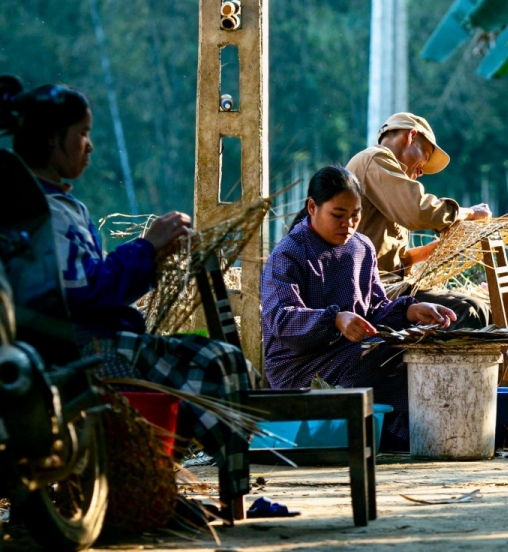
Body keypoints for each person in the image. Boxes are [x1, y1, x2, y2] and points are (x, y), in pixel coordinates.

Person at [0, 75, 253, 495]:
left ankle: (160, 484)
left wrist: (150, 253)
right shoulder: (45, 212)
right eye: (81, 134)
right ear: (50, 139)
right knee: (217, 360)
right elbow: (84, 294)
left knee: (215, 359)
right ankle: (228, 489)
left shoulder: (57, 206)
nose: (90, 146)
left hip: (82, 339)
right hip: (77, 349)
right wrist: (146, 248)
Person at [260, 165, 457, 450]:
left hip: (353, 350)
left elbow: (375, 308)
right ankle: (396, 437)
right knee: (385, 359)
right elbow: (281, 318)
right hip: (300, 365)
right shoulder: (289, 253)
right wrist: (334, 320)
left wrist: (409, 311)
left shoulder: (361, 247)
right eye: (338, 215)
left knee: (417, 351)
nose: (349, 225)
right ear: (312, 207)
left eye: (355, 215)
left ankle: (405, 436)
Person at [346, 112, 493, 329]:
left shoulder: (387, 179)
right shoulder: (374, 159)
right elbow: (418, 211)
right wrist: (469, 213)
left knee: (479, 309)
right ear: (411, 136)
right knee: (469, 311)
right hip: (371, 292)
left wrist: (432, 250)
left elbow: (392, 260)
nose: (422, 170)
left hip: (388, 285)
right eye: (425, 155)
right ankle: (416, 364)